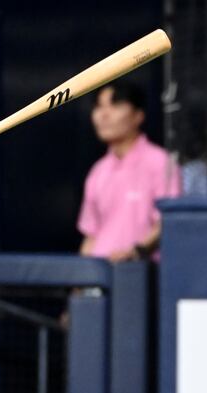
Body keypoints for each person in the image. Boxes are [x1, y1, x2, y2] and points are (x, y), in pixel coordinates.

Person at [77, 81, 181, 261]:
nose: (104, 114)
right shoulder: (98, 171)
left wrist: (135, 253)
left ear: (138, 116)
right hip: (99, 274)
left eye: (115, 105)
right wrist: (81, 274)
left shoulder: (161, 163)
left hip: (142, 272)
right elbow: (91, 235)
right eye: (99, 106)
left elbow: (168, 222)